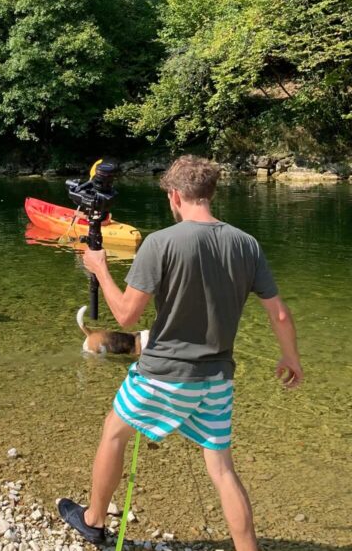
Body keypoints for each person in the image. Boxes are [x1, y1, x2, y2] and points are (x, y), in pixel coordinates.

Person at [57, 155, 302, 551]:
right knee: (222, 469)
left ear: (175, 196)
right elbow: (280, 314)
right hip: (218, 378)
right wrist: (291, 358)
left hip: (162, 374)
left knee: (114, 433)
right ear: (210, 193)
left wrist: (100, 268)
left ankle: (93, 520)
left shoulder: (160, 243)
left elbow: (125, 314)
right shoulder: (247, 243)